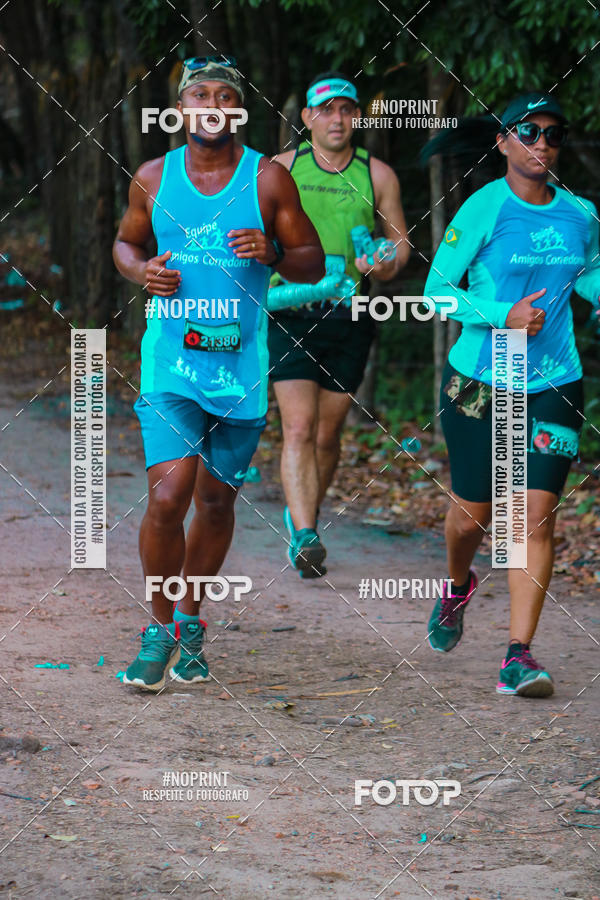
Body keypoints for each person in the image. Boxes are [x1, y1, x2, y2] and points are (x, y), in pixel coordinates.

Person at [113, 57, 324, 691]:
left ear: (238, 110)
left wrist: (277, 253)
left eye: (224, 95)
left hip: (239, 373)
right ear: (180, 110)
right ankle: (159, 630)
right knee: (169, 496)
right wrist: (139, 271)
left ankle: (191, 617)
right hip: (170, 365)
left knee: (213, 499)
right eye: (198, 94)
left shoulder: (268, 179)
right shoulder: (153, 177)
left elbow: (313, 263)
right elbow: (125, 244)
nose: (211, 104)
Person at [423, 92, 600, 697]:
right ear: (502, 142)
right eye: (529, 131)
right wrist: (503, 314)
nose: (543, 143)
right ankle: (457, 584)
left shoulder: (581, 214)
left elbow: (591, 274)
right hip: (480, 380)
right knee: (473, 516)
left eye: (554, 134)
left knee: (535, 515)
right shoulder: (482, 208)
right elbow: (436, 293)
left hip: (555, 381)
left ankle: (518, 655)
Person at [269, 71, 410, 578]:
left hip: (350, 314)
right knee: (300, 426)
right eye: (326, 110)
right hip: (290, 313)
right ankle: (305, 535)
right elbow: (255, 234)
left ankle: (303, 512)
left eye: (346, 110)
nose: (337, 118)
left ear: (357, 117)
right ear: (307, 117)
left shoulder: (379, 175)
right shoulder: (281, 168)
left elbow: (400, 243)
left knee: (329, 436)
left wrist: (385, 262)